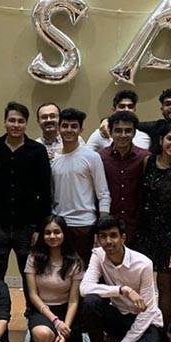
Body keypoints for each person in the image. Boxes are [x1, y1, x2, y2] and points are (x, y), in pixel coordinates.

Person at [0, 101, 51, 342]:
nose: (16, 125)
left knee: (30, 277)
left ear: (27, 123)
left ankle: (31, 322)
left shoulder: (36, 151)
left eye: (20, 121)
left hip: (27, 226)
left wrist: (39, 226)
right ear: (5, 121)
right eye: (12, 120)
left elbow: (45, 192)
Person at [79, 216, 163, 342]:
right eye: (103, 236)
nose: (108, 241)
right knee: (90, 302)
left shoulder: (143, 264)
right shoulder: (98, 255)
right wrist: (123, 289)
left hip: (145, 321)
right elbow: (84, 288)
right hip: (119, 316)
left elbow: (148, 312)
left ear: (123, 238)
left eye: (113, 235)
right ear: (98, 239)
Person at [133, 122, 171, 342]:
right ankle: (139, 329)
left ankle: (161, 333)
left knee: (165, 285)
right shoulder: (147, 163)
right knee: (141, 285)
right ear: (161, 140)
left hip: (168, 233)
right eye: (170, 139)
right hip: (144, 231)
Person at [50, 108, 110, 266]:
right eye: (65, 126)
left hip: (85, 226)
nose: (69, 130)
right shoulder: (53, 159)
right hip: (60, 225)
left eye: (74, 126)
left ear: (81, 130)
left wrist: (101, 228)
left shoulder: (91, 157)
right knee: (61, 272)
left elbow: (103, 194)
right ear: (58, 128)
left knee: (82, 274)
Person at [25, 216, 84, 342]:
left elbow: (74, 301)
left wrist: (65, 329)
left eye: (57, 232)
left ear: (64, 234)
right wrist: (55, 321)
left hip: (67, 314)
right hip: (43, 310)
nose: (52, 237)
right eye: (47, 233)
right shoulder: (33, 258)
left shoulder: (75, 262)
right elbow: (33, 295)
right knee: (42, 334)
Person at [98, 110, 150, 244]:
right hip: (108, 225)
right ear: (110, 131)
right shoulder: (100, 157)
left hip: (137, 225)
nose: (123, 135)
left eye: (128, 131)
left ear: (134, 133)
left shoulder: (145, 157)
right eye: (118, 130)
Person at [87, 90, 152, 151]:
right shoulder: (101, 134)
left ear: (134, 110)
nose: (126, 109)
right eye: (122, 106)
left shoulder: (144, 138)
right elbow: (87, 157)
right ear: (114, 110)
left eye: (130, 106)